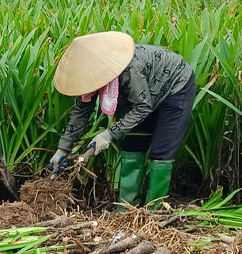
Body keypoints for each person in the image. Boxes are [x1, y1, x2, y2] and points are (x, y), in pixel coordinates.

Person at [51, 32, 196, 209]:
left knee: (161, 150)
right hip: (143, 95)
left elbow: (142, 107)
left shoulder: (130, 70)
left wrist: (108, 134)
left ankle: (154, 210)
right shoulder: (90, 79)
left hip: (175, 86)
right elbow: (81, 111)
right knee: (132, 144)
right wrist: (63, 148)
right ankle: (127, 207)